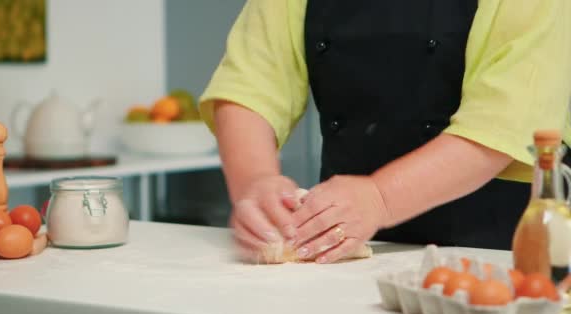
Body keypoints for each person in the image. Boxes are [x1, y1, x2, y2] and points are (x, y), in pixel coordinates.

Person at [198, 0, 571, 263]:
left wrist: (380, 198)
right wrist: (257, 183)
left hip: (497, 255)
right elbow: (249, 85)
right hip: (346, 252)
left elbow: (503, 125)